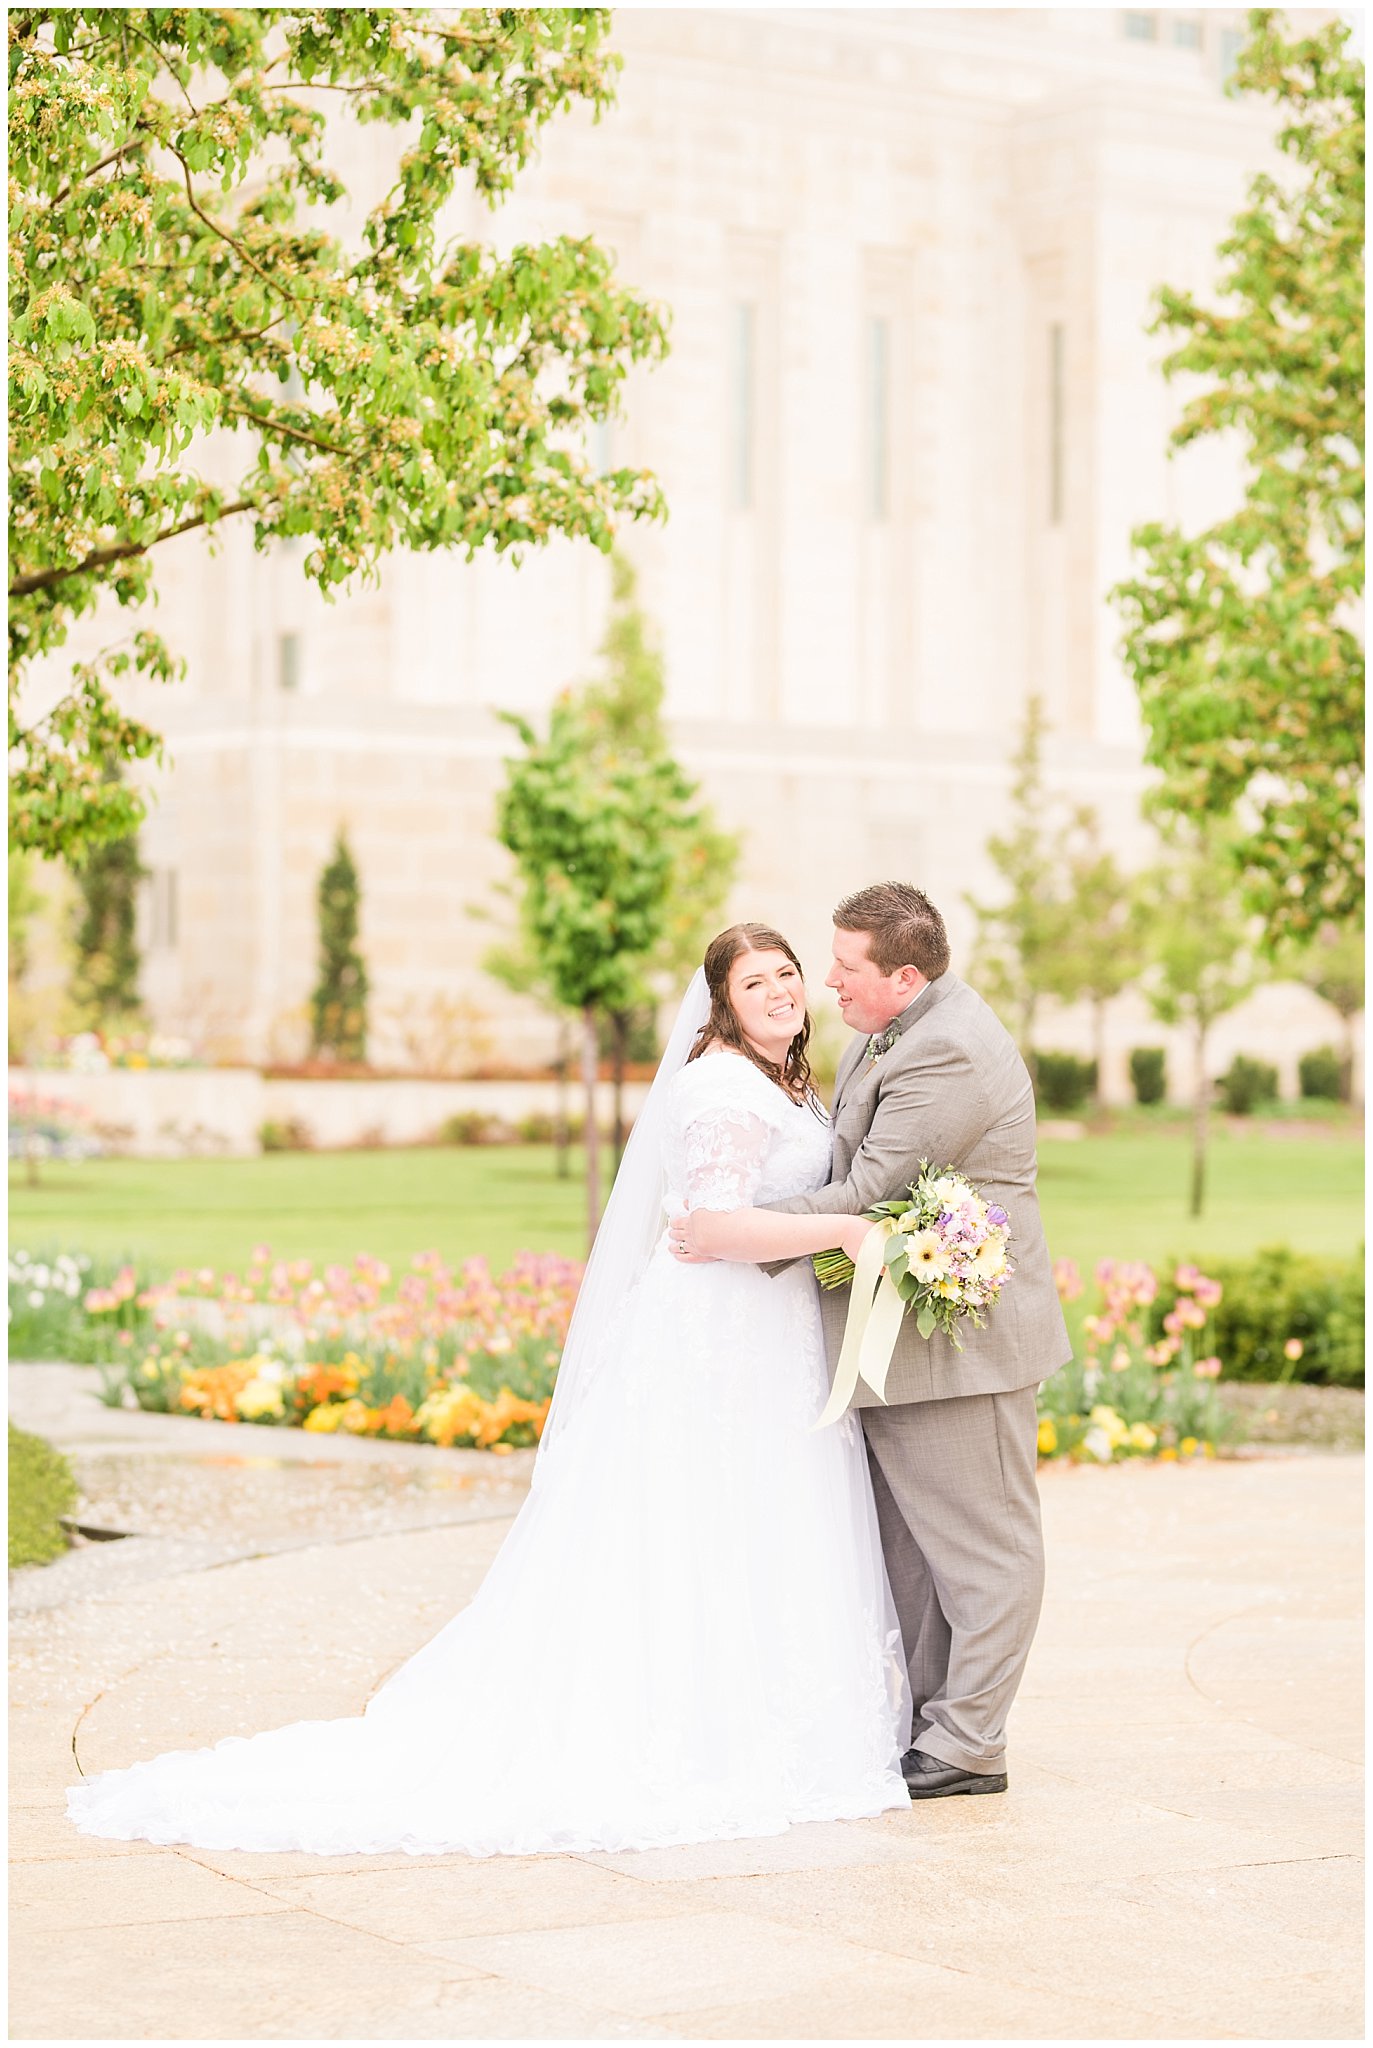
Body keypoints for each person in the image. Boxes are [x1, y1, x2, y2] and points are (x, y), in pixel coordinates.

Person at [67, 923, 911, 1858]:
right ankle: (703, 1732)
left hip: (758, 1333)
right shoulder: (718, 1084)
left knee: (751, 1521)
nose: (781, 992)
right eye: (756, 981)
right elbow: (710, 1224)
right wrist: (841, 1231)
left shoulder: (773, 1077)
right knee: (700, 1521)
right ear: (720, 999)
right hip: (719, 1340)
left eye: (788, 974)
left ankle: (768, 1714)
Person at [674, 882, 1071, 1799]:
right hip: (894, 1342)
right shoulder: (890, 1029)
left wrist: (731, 1228)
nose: (828, 984)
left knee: (982, 1551)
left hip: (961, 1347)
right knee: (916, 1560)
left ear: (902, 974)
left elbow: (866, 1198)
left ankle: (969, 1742)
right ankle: (929, 1726)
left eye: (843, 968)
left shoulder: (951, 1055)